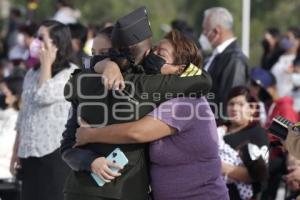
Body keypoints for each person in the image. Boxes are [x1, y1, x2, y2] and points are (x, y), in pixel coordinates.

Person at [61, 7, 212, 200]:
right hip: (126, 190)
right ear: (147, 53)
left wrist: (104, 64)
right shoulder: (149, 84)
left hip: (78, 190)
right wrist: (161, 66)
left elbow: (67, 144)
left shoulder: (80, 81)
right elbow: (204, 79)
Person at [9, 20, 76, 200]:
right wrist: (16, 151)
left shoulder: (70, 74)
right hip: (29, 152)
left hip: (54, 153)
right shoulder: (31, 73)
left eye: (41, 38)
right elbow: (24, 115)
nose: (35, 42)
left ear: (57, 44)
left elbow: (44, 96)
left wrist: (47, 65)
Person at [200, 7, 249, 123]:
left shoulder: (234, 59)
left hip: (218, 131)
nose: (203, 34)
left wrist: (223, 131)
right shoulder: (214, 57)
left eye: (205, 30)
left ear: (216, 31)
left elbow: (232, 102)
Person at [220, 86, 269, 199]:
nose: (235, 108)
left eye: (241, 104)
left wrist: (223, 168)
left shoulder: (257, 133)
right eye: (231, 104)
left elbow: (258, 175)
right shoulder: (219, 129)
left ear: (252, 109)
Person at [271, 27, 300, 98]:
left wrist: (293, 72)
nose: (285, 40)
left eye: (288, 38)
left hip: (293, 100)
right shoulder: (278, 56)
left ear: (298, 41)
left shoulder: (297, 60)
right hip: (277, 98)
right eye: (285, 37)